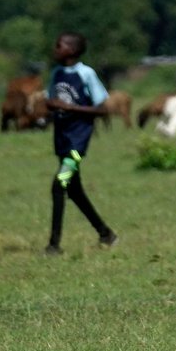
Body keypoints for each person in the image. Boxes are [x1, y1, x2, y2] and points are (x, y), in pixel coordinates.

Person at [44, 31, 117, 254]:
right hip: (62, 140)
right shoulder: (57, 73)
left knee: (60, 184)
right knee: (74, 191)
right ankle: (105, 233)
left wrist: (71, 108)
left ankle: (54, 245)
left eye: (59, 45)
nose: (55, 49)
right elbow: (51, 99)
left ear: (73, 50)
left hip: (77, 146)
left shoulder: (86, 74)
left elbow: (103, 109)